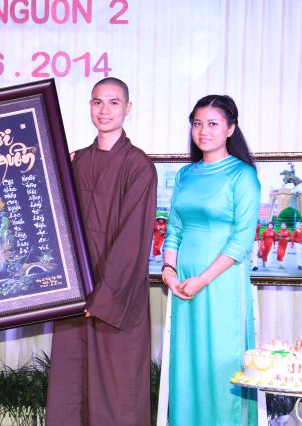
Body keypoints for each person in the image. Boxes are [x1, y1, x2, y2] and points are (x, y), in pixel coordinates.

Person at [46, 78, 157, 425]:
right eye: (97, 102)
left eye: (113, 102)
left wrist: (103, 297)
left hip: (115, 298)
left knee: (116, 390)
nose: (104, 110)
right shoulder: (76, 161)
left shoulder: (138, 166)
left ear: (128, 108)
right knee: (71, 384)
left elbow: (133, 239)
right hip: (75, 293)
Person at [162, 94, 260, 425]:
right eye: (197, 123)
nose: (204, 131)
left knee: (221, 362)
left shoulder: (242, 176)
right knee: (187, 363)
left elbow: (241, 240)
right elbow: (174, 229)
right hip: (182, 285)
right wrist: (169, 271)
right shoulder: (185, 175)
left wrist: (203, 279)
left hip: (220, 283)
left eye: (213, 123)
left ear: (231, 129)